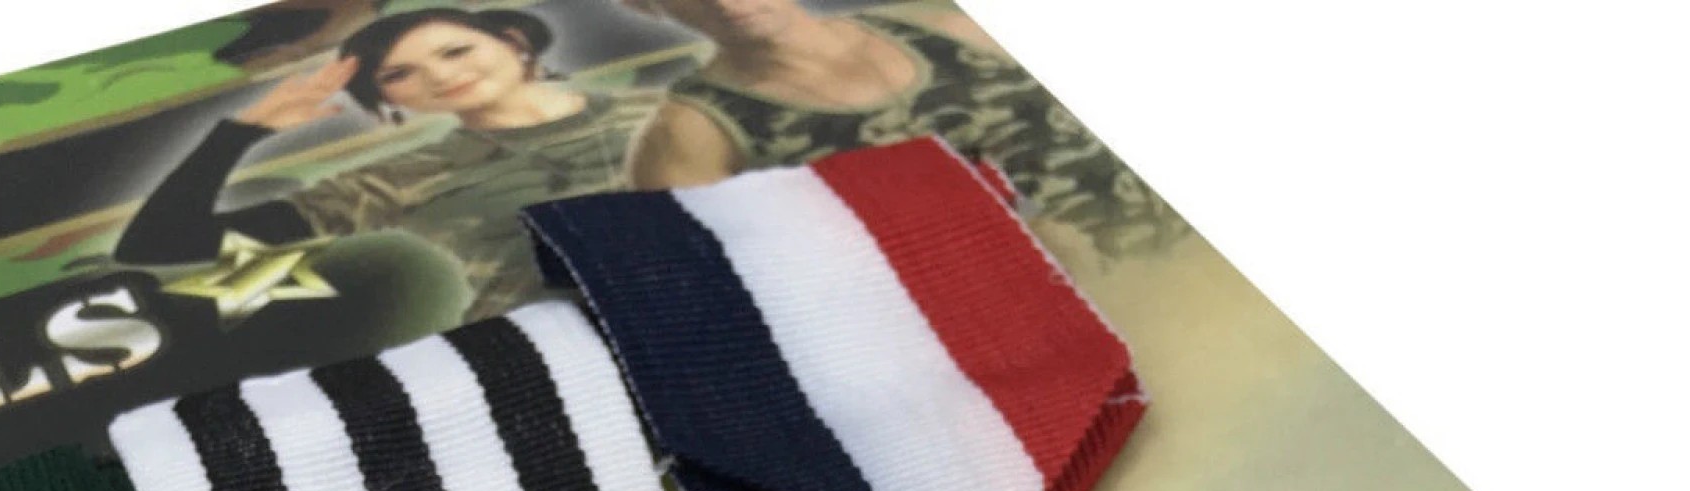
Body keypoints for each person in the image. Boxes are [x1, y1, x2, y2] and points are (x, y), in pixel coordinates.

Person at [120, 5, 656, 323]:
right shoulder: (402, 177)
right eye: (399, 75)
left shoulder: (670, 113)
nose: (440, 77)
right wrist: (240, 133)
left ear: (513, 42)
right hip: (560, 355)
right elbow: (158, 243)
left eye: (456, 51)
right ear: (387, 99)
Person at [627, 0, 1180, 258]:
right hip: (1046, 338)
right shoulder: (691, 136)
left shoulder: (956, 28)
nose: (725, 2)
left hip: (1185, 261)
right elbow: (714, 294)